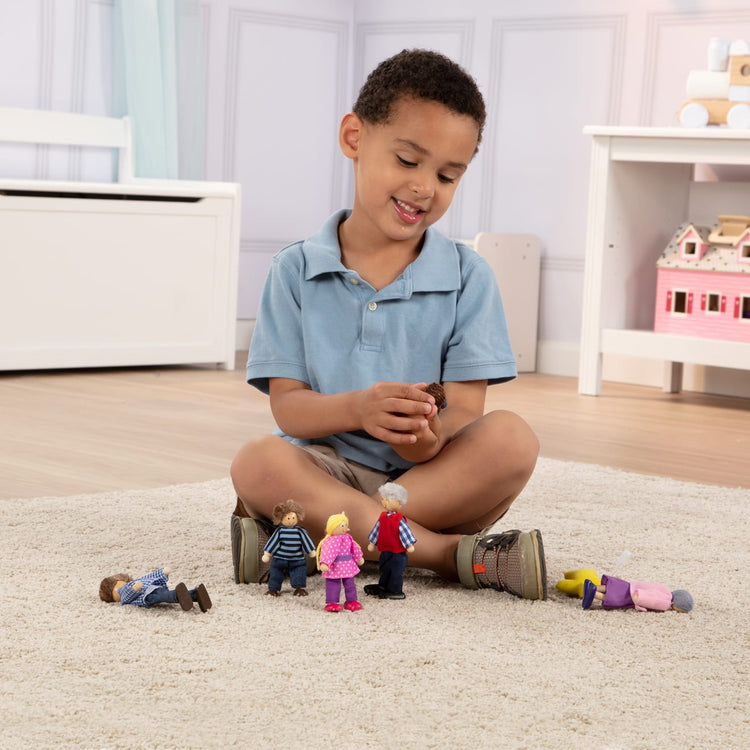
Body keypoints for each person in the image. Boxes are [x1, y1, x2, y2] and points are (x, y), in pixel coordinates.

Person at [231, 48, 546, 600]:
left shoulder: (469, 276)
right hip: (323, 468)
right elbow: (288, 407)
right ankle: (448, 556)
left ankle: (310, 539)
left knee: (513, 440)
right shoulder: (295, 269)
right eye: (407, 161)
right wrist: (358, 408)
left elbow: (467, 408)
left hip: (425, 484)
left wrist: (429, 440)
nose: (426, 187)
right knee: (258, 462)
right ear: (354, 138)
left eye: (448, 175)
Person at [364, 482, 416, 599]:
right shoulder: (383, 516)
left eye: (388, 499)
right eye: (383, 499)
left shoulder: (399, 519)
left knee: (395, 571)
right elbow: (376, 530)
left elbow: (405, 532)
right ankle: (383, 585)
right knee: (385, 568)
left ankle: (395, 590)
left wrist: (409, 544)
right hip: (385, 550)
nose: (385, 502)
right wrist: (372, 542)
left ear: (399, 502)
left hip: (398, 553)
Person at [261, 499, 317, 597]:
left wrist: (311, 551)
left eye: (293, 517)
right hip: (280, 558)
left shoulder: (300, 531)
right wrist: (267, 553)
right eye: (288, 518)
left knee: (299, 572)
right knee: (275, 572)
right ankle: (273, 589)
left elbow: (306, 540)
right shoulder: (279, 531)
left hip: (297, 559)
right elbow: (273, 542)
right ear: (281, 519)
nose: (291, 520)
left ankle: (299, 588)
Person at [99, 567, 212, 612]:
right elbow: (127, 596)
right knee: (164, 595)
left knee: (165, 593)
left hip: (153, 587)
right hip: (147, 597)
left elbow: (149, 577)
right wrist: (134, 589)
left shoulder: (136, 581)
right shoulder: (124, 595)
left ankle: (195, 595)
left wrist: (162, 573)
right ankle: (180, 594)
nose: (121, 589)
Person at [316, 512, 365, 612]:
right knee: (333, 584)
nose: (344, 527)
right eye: (342, 525)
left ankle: (351, 601)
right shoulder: (329, 540)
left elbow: (354, 548)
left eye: (345, 525)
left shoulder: (348, 538)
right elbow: (327, 552)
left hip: (348, 565)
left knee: (350, 584)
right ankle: (332, 602)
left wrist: (358, 558)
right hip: (334, 566)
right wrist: (325, 563)